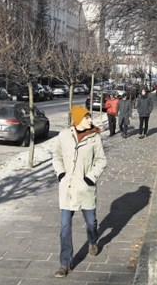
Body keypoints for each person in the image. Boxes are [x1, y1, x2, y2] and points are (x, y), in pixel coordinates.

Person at [52, 105, 107, 278]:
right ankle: (65, 263)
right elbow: (56, 156)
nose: (90, 120)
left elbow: (101, 160)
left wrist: (90, 178)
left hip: (85, 188)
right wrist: (61, 173)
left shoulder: (94, 137)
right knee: (65, 226)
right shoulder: (63, 135)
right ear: (77, 120)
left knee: (91, 222)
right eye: (87, 117)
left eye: (90, 117)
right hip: (67, 188)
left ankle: (93, 241)